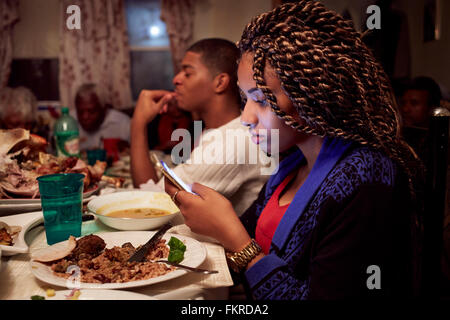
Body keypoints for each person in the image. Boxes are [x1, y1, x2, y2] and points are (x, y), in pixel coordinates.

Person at [165, 1, 422, 299]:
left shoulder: (367, 179)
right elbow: (248, 243)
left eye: (261, 100)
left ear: (312, 96)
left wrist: (235, 240)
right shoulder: (291, 164)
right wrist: (217, 224)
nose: (246, 119)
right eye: (244, 98)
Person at [130, 38, 272, 216]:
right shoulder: (218, 131)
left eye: (187, 73)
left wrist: (138, 123)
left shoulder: (231, 142)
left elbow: (148, 203)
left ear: (220, 83)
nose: (176, 80)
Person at [73, 83, 131, 151]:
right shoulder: (70, 122)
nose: (85, 117)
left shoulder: (123, 123)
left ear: (104, 109)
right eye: (80, 112)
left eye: (91, 111)